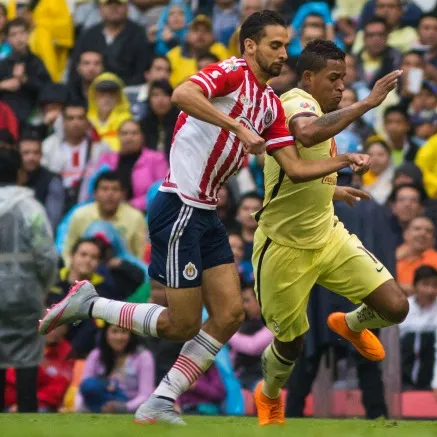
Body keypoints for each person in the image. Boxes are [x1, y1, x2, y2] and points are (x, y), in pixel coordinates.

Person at [39, 11, 322, 426]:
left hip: (205, 213)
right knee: (181, 323)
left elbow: (295, 166)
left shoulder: (269, 103)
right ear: (249, 45)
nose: (284, 53)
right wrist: (235, 127)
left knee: (229, 315)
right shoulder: (232, 72)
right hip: (179, 206)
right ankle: (91, 303)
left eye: (286, 45)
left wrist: (341, 168)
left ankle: (160, 400)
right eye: (275, 45)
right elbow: (182, 93)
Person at [250, 39, 410, 425]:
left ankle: (350, 324)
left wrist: (333, 189)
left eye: (345, 79)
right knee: (291, 345)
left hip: (327, 235)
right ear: (309, 77)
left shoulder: (321, 110)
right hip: (284, 247)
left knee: (395, 307)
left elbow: (299, 167)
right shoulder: (295, 103)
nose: (341, 87)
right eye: (334, 78)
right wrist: (369, 103)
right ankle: (268, 395)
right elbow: (305, 135)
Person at [0, 148, 57, 413]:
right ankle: (28, 419)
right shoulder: (30, 208)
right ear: (20, 174)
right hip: (25, 292)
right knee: (26, 359)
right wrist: (42, 287)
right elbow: (45, 254)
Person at [399, 266, 437, 401]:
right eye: (425, 285)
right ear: (415, 286)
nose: (430, 290)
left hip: (433, 380)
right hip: (403, 380)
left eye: (435, 286)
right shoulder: (402, 307)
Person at [62, 171, 147, 264]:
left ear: (123, 194)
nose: (110, 194)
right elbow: (68, 251)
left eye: (115, 189)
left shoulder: (136, 218)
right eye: (104, 189)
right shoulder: (80, 215)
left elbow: (139, 256)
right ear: (95, 193)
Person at [41, 103, 111, 211]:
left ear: (87, 122)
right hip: (56, 202)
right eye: (70, 118)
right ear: (63, 122)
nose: (76, 122)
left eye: (80, 118)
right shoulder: (48, 146)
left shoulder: (101, 147)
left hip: (91, 205)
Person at [68, 0, 153, 86]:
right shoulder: (88, 35)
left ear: (127, 7)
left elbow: (142, 72)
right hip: (90, 93)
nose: (113, 8)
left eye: (118, 4)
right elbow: (74, 70)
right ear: (100, 8)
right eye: (108, 4)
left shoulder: (139, 35)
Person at [76, 324, 155, 413]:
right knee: (90, 385)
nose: (119, 337)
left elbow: (145, 395)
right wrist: (80, 408)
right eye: (114, 331)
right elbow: (83, 387)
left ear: (131, 334)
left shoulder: (143, 356)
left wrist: (124, 408)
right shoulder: (96, 355)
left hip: (127, 404)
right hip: (99, 401)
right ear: (106, 333)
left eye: (124, 332)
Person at [96, 120, 169, 212]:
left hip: (146, 212)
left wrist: (131, 205)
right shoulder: (107, 159)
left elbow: (161, 191)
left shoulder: (156, 159)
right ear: (118, 136)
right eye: (124, 133)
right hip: (110, 212)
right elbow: (98, 189)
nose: (129, 137)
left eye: (134, 133)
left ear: (142, 137)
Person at [0, 18, 52, 125]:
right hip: (5, 119)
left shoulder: (36, 62)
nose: (19, 38)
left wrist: (25, 80)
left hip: (31, 118)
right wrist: (2, 85)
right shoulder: (3, 64)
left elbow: (48, 89)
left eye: (22, 33)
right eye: (13, 35)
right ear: (6, 39)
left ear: (29, 35)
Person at [167, 15, 231, 88]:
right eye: (195, 30)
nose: (200, 34)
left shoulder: (220, 50)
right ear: (187, 35)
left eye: (206, 30)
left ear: (213, 36)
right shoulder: (173, 54)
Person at [19, 130, 65, 229]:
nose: (31, 157)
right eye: (26, 153)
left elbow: (52, 222)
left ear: (41, 154)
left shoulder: (52, 180)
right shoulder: (9, 177)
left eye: (36, 153)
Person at [396, 216, 437, 296]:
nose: (422, 233)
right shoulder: (392, 256)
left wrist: (396, 286)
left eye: (428, 231)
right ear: (405, 234)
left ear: (433, 240)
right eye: (417, 229)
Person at [87, 72, 133, 152]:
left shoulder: (127, 122)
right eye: (102, 94)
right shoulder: (87, 122)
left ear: (119, 98)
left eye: (112, 94)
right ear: (93, 97)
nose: (107, 98)